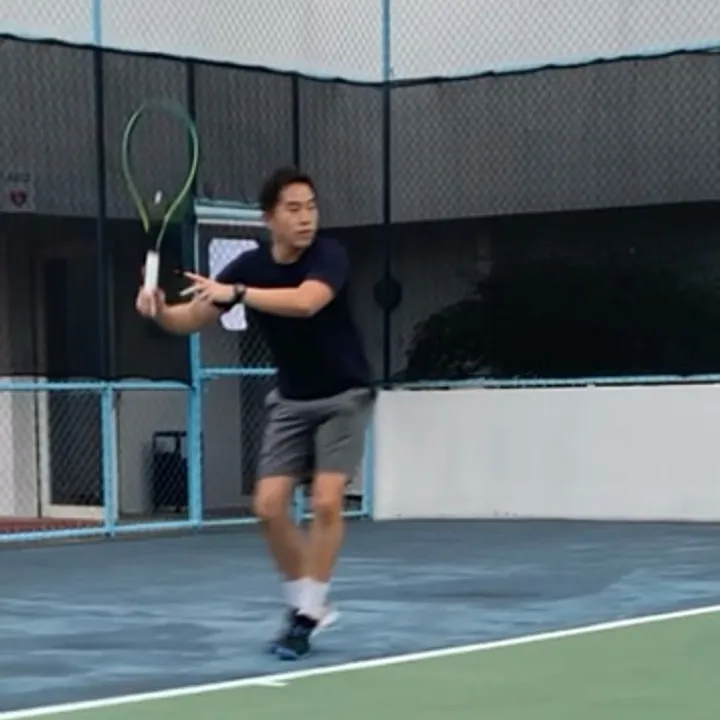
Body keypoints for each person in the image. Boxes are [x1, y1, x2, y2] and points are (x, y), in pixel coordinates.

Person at [135, 167, 374, 660]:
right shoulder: (248, 265)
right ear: (269, 219)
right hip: (291, 400)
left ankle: (306, 616)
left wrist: (238, 294)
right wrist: (159, 310)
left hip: (344, 395)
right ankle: (307, 604)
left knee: (327, 500)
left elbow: (307, 302)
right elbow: (191, 318)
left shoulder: (329, 256)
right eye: (293, 209)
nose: (306, 218)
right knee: (267, 507)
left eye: (311, 207)